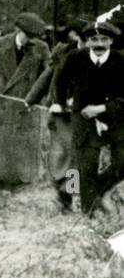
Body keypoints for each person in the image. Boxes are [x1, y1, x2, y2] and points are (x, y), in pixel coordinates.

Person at [0, 12, 50, 187]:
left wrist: (41, 96)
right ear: (18, 30)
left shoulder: (41, 47)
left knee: (24, 139)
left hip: (25, 101)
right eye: (28, 36)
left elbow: (48, 73)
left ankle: (21, 179)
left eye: (35, 37)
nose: (31, 40)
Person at [54, 20, 124, 215]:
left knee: (123, 162)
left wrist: (101, 108)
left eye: (104, 39)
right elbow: (60, 81)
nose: (99, 44)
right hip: (83, 117)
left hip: (115, 118)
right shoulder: (76, 58)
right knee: (87, 165)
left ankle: (100, 189)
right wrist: (63, 102)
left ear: (111, 41)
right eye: (94, 39)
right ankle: (88, 213)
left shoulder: (120, 61)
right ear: (87, 41)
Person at [27, 18, 87, 211]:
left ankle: (72, 196)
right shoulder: (63, 51)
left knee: (75, 157)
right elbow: (48, 76)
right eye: (85, 37)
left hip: (82, 115)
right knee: (60, 155)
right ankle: (61, 192)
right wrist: (32, 98)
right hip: (59, 114)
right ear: (77, 36)